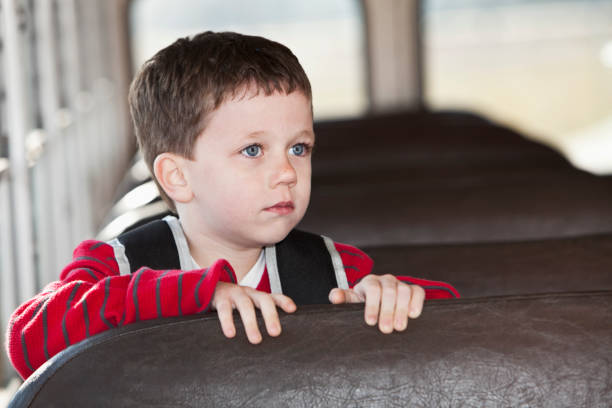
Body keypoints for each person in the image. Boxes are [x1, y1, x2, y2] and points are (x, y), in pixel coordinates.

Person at [5, 31, 459, 380]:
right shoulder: (116, 265)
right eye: (253, 151)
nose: (287, 172)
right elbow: (28, 341)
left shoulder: (336, 270)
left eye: (299, 148)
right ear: (177, 177)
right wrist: (193, 294)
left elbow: (464, 330)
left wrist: (394, 297)